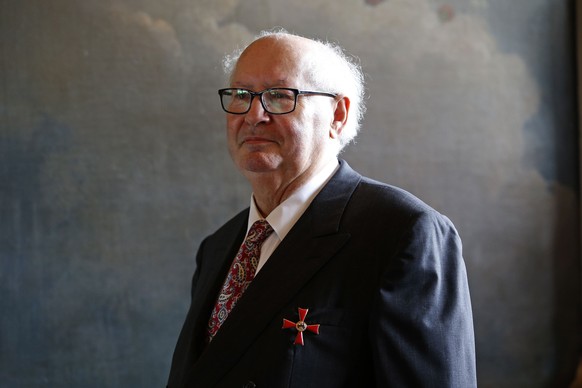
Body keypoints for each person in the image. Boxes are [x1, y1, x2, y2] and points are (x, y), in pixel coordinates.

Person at [167, 29, 476, 388]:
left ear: (338, 115)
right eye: (241, 94)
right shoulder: (217, 247)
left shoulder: (402, 233)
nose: (253, 114)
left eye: (279, 96)